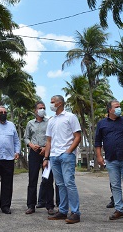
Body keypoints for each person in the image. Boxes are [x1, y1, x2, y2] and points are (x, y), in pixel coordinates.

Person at [94, 99, 123, 222]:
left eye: (119, 106)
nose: (119, 108)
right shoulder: (102, 124)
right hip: (111, 159)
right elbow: (98, 142)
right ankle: (119, 210)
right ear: (110, 109)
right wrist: (99, 156)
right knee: (115, 186)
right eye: (117, 106)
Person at [43, 95, 82, 224]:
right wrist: (46, 157)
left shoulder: (70, 117)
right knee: (60, 185)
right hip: (54, 156)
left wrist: (68, 151)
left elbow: (77, 136)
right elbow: (48, 140)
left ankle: (75, 212)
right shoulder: (51, 120)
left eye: (52, 102)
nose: (51, 104)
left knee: (69, 183)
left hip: (66, 155)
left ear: (59, 103)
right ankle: (63, 211)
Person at [24, 101, 57, 215]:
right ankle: (31, 206)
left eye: (43, 107)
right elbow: (26, 138)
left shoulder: (49, 122)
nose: (42, 109)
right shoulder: (30, 123)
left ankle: (50, 206)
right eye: (40, 108)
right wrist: (31, 145)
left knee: (48, 179)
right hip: (34, 153)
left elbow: (52, 138)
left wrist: (45, 149)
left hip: (46, 153)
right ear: (35, 111)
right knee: (32, 179)